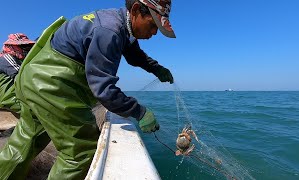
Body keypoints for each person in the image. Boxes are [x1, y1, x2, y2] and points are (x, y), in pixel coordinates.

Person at [0, 0, 175, 179]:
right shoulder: (110, 31)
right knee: (81, 152)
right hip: (52, 86)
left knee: (26, 141)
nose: (154, 33)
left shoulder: (118, 23)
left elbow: (133, 54)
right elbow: (104, 89)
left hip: (33, 80)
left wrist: (155, 68)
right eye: (153, 25)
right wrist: (139, 112)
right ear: (137, 10)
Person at [0, 33, 35, 114]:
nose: (27, 49)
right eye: (23, 47)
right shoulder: (6, 58)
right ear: (12, 46)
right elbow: (21, 77)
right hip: (9, 99)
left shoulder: (16, 59)